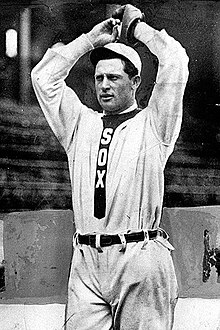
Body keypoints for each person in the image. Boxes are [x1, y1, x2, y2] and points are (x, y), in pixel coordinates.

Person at [31, 4, 189, 329]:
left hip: (140, 254)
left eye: (114, 77)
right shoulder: (80, 124)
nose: (104, 84)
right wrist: (90, 39)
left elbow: (175, 60)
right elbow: (43, 77)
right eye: (99, 77)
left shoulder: (154, 123)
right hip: (86, 260)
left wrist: (137, 28)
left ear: (135, 82)